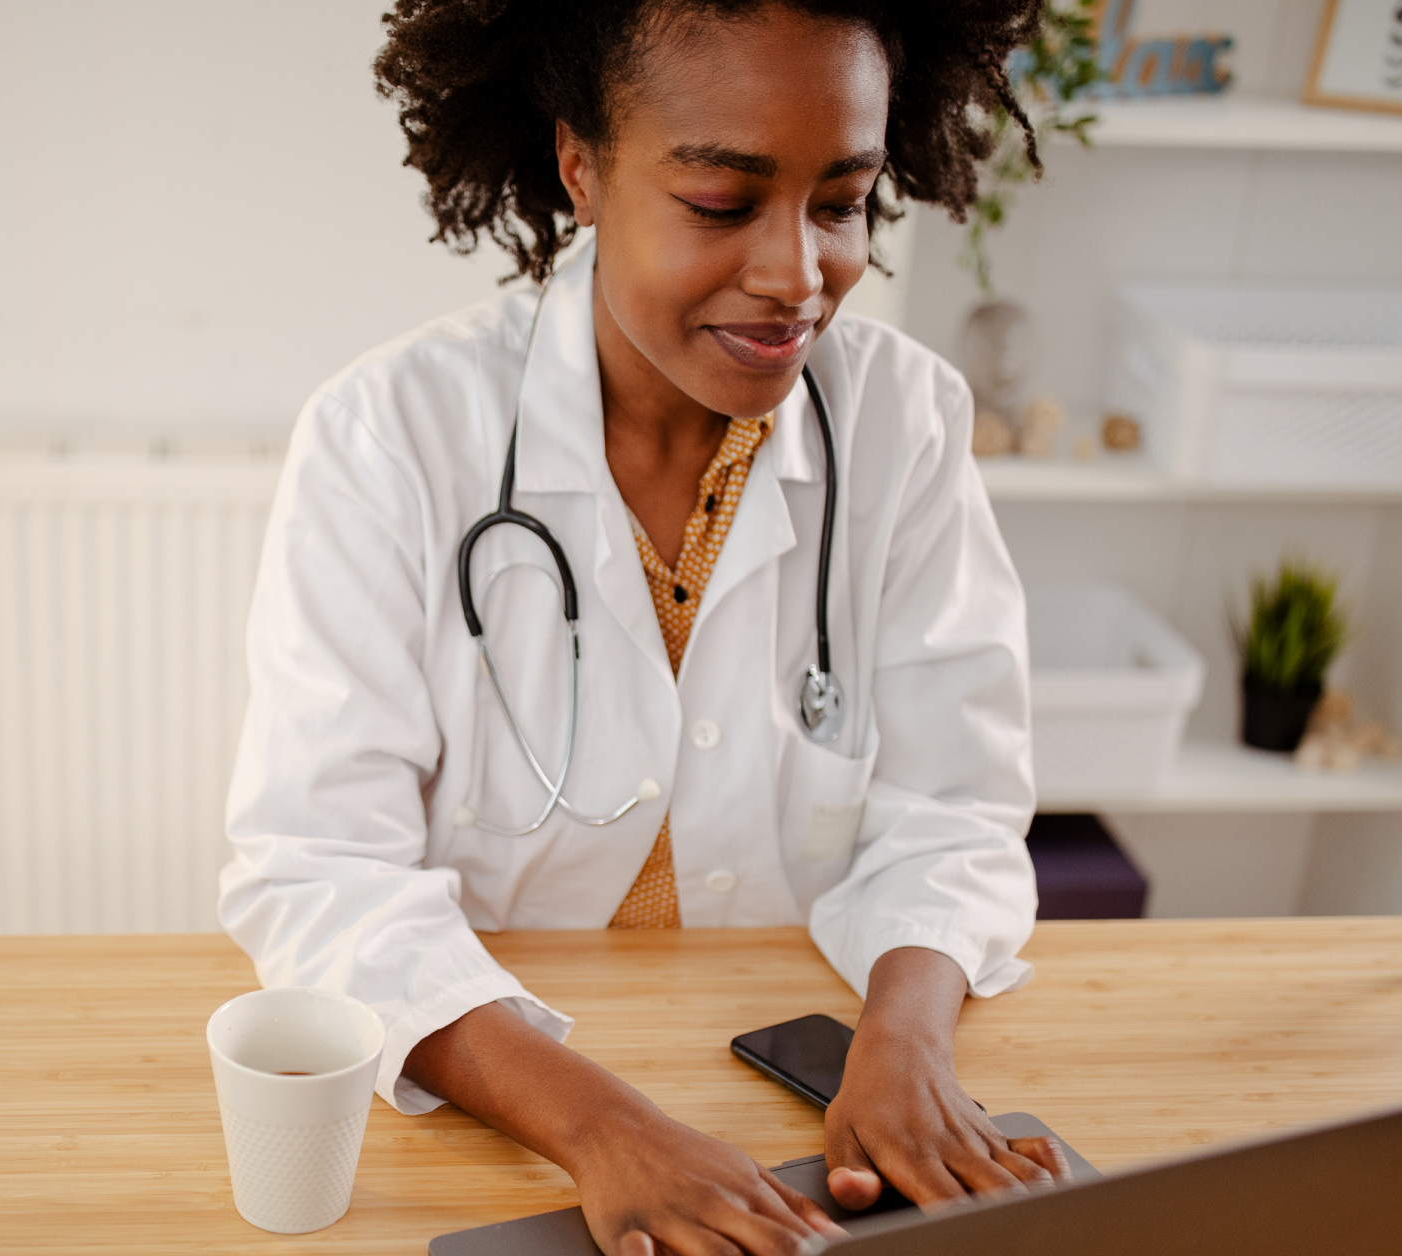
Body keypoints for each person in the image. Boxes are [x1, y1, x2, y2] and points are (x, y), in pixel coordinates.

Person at [221, 2, 1060, 1251]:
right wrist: (605, 1128)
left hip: (796, 1088)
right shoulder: (390, 437)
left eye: (842, 202)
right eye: (724, 202)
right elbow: (319, 869)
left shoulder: (906, 422)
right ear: (582, 164)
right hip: (497, 1096)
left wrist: (903, 1046)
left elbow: (956, 809)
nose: (796, 274)